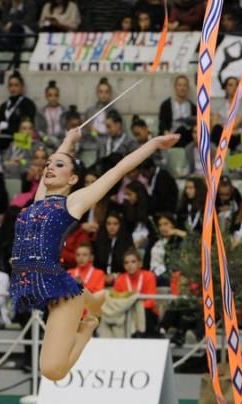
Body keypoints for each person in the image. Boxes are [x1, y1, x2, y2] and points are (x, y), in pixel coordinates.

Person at [9, 127, 179, 380]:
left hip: (57, 289)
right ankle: (93, 299)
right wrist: (69, 139)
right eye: (48, 164)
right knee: (52, 364)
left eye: (58, 165)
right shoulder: (39, 200)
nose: (49, 167)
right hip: (36, 283)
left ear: (72, 180)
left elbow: (117, 170)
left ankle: (88, 325)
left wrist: (153, 143)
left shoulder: (73, 202)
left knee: (52, 371)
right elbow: (59, 156)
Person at [0, 71, 37, 152]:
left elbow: (26, 127)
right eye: (10, 85)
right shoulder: (4, 105)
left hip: (19, 138)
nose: (13, 88)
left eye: (16, 85)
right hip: (2, 137)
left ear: (22, 87)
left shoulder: (28, 104)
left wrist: (3, 131)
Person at [158, 74, 196, 147]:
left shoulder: (193, 107)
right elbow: (162, 122)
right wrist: (166, 133)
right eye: (180, 85)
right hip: (171, 135)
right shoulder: (166, 105)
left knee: (184, 129)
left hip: (186, 137)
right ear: (175, 87)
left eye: (185, 85)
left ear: (188, 88)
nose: (182, 88)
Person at [35, 80, 68, 147]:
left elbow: (67, 128)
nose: (53, 98)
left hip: (61, 142)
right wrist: (46, 138)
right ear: (46, 96)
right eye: (50, 95)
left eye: (56, 95)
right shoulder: (40, 112)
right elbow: (38, 130)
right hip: (45, 143)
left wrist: (59, 139)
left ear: (59, 96)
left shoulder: (65, 111)